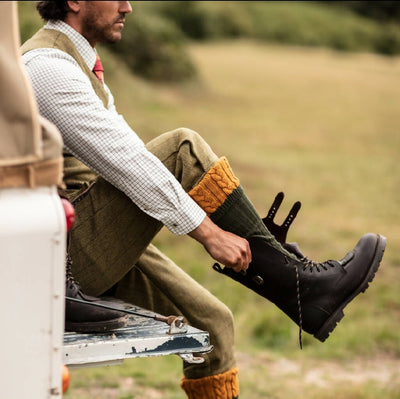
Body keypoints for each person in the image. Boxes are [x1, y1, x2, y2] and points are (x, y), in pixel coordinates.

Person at [21, 2, 386, 398]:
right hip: (58, 259)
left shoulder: (74, 60)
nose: (128, 6)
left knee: (213, 325)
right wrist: (210, 232)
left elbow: (130, 152)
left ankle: (303, 290)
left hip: (79, 236)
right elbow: (128, 164)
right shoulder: (46, 66)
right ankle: (301, 285)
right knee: (182, 149)